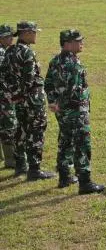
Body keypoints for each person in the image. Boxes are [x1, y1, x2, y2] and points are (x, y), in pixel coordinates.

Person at [44, 30, 105, 193]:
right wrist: (64, 105)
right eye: (78, 41)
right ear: (68, 43)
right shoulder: (73, 64)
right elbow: (70, 90)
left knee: (65, 141)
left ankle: (65, 177)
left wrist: (53, 102)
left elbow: (48, 83)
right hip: (76, 111)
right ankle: (85, 182)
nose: (81, 43)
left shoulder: (55, 60)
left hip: (62, 112)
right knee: (82, 145)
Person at [3, 21, 56, 180]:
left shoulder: (10, 51)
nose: (36, 35)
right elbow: (29, 78)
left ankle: (20, 166)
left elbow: (4, 75)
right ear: (25, 33)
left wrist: (15, 94)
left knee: (21, 131)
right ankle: (34, 170)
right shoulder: (27, 53)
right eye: (34, 32)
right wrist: (24, 93)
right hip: (33, 99)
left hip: (18, 100)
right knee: (37, 131)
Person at [0, 23, 17, 167]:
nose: (11, 39)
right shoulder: (2, 53)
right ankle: (11, 160)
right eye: (8, 36)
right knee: (8, 125)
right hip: (3, 95)